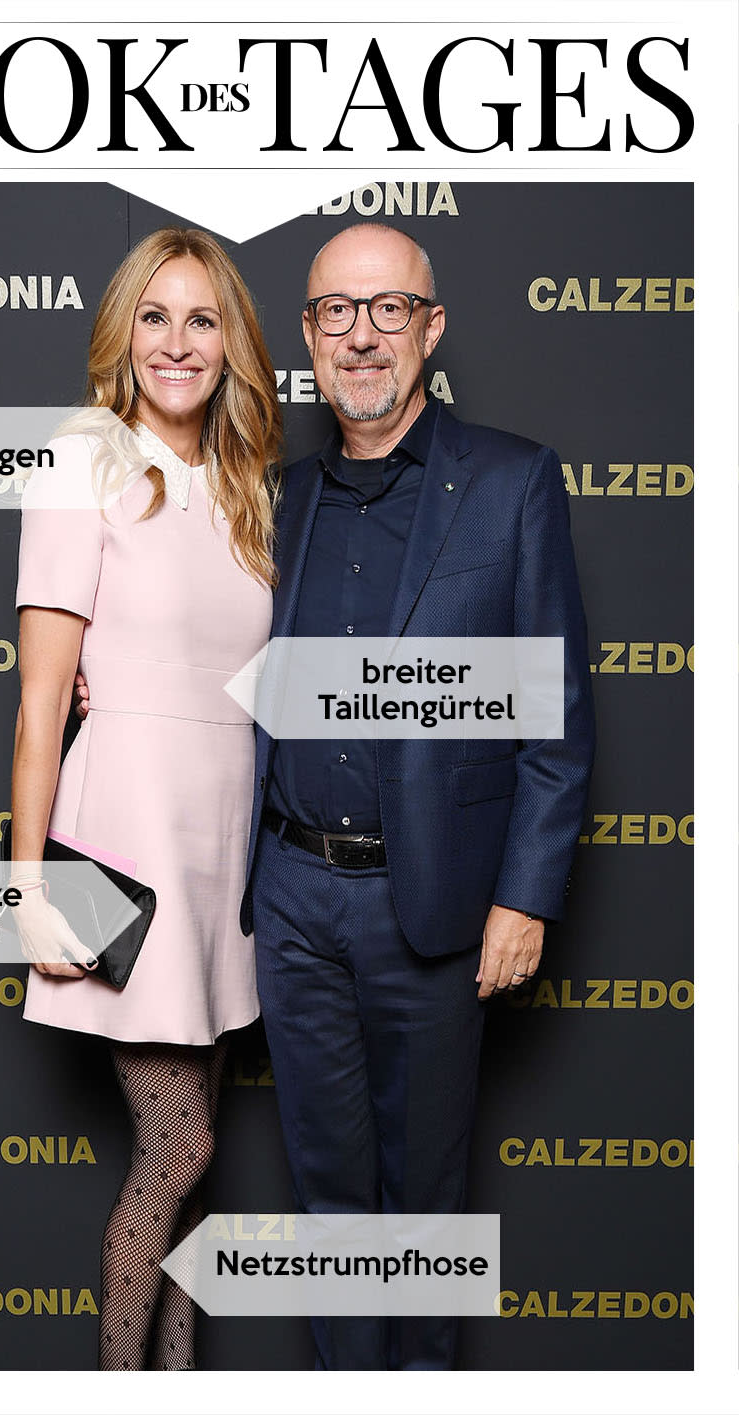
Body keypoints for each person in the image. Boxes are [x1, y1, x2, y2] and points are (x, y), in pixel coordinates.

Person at [239, 223, 595, 1370]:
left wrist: (526, 897)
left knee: (425, 1209)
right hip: (292, 899)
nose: (361, 335)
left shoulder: (509, 480)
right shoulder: (273, 499)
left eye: (388, 308)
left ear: (430, 328)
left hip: (432, 904)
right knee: (330, 1201)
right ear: (307, 334)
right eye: (336, 311)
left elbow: (552, 710)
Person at [9, 226, 282, 1370]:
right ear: (124, 334)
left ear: (232, 344)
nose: (178, 342)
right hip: (124, 827)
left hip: (224, 837)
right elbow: (37, 703)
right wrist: (30, 884)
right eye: (156, 316)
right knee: (178, 1148)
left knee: (197, 1155)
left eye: (203, 318)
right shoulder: (84, 457)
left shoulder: (247, 484)